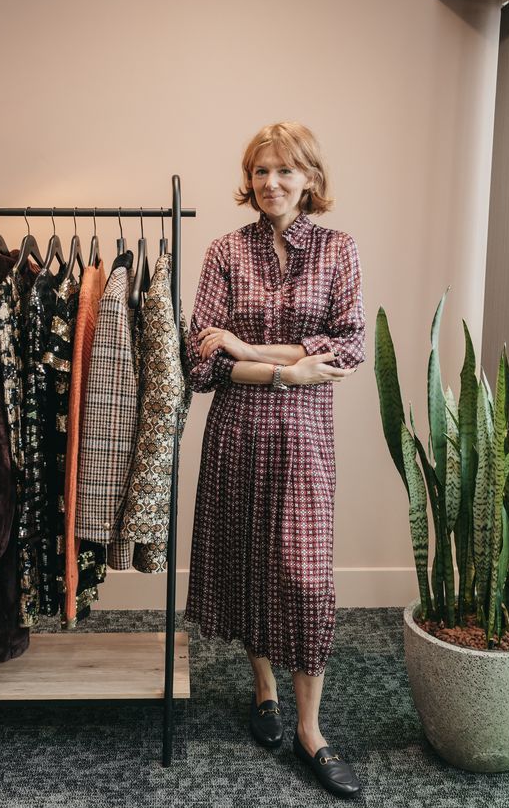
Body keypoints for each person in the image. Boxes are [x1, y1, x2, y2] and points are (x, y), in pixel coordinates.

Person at [184, 122, 366, 798]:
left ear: (310, 178)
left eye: (286, 170)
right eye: (261, 171)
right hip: (237, 432)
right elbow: (200, 362)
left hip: (305, 438)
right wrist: (290, 368)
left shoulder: (339, 250)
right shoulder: (225, 251)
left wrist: (247, 348)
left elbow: (349, 347)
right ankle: (264, 689)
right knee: (249, 564)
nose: (271, 183)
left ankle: (311, 731)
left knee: (305, 578)